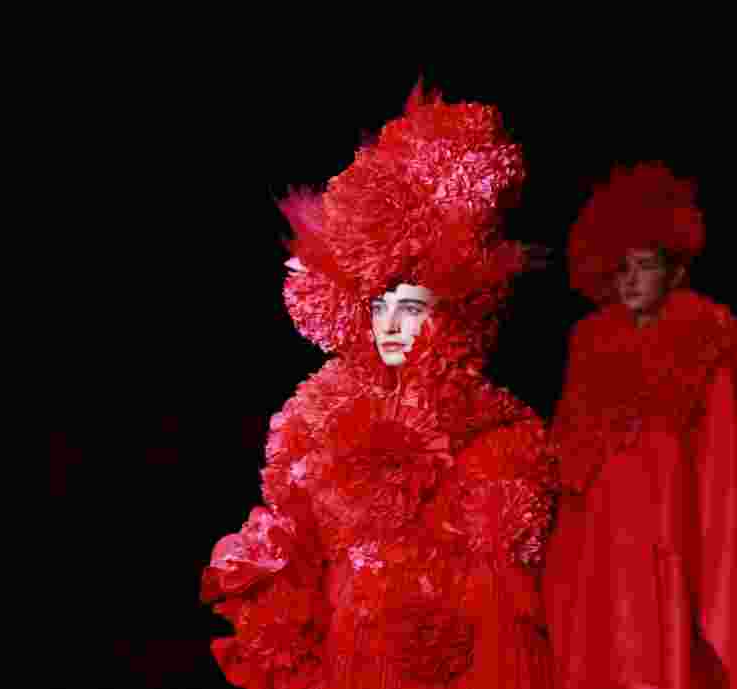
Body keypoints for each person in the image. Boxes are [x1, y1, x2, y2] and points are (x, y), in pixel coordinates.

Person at [201, 83, 556, 689]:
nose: (391, 325)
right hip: (352, 653)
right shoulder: (315, 416)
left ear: (448, 311)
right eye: (379, 307)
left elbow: (509, 592)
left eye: (411, 308)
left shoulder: (496, 427)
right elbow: (295, 541)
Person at [543, 162, 737, 688]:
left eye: (644, 265)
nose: (631, 280)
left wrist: (706, 547)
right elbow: (570, 456)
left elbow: (729, 472)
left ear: (674, 268)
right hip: (602, 545)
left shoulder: (703, 343)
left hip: (676, 533)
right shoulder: (591, 345)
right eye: (621, 268)